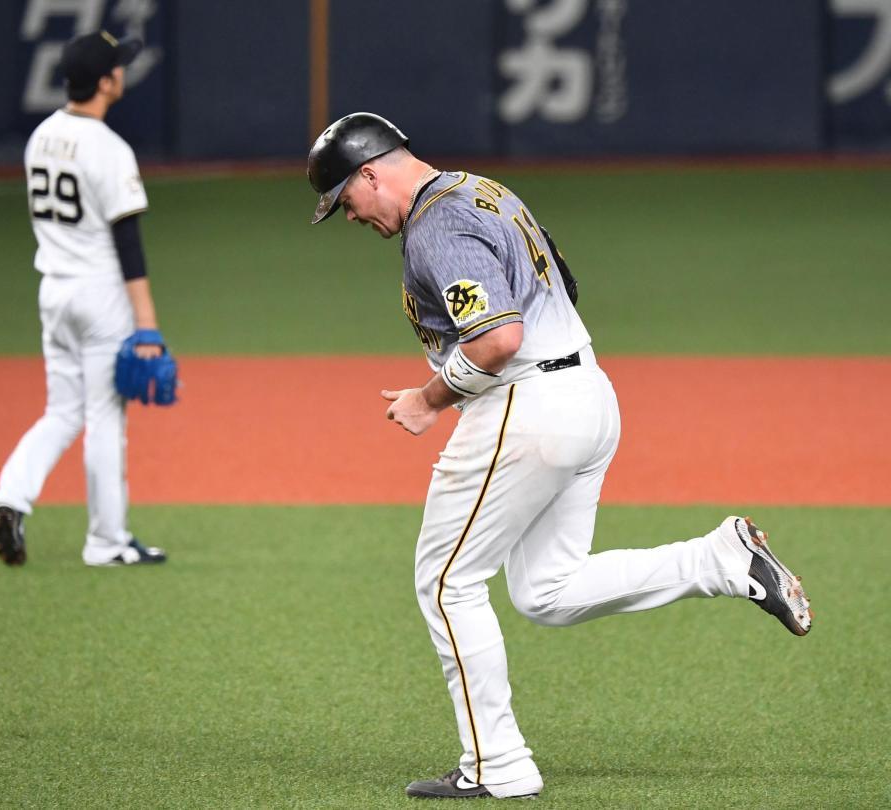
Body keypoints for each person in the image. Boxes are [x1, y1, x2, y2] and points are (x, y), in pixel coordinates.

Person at [307, 112, 813, 800]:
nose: (348, 216)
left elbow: (497, 341)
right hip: (588, 394)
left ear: (370, 173)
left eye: (344, 200)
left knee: (447, 582)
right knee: (546, 590)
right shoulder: (483, 190)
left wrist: (430, 398)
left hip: (528, 406)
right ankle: (719, 560)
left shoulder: (437, 226)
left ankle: (497, 764)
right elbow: (563, 286)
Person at [0, 31, 168, 567]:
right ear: (107, 82)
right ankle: (107, 542)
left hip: (53, 291)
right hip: (99, 297)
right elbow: (127, 243)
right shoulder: (109, 149)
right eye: (119, 66)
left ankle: (11, 494)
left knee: (62, 412)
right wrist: (147, 324)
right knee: (105, 419)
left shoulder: (41, 136)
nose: (123, 72)